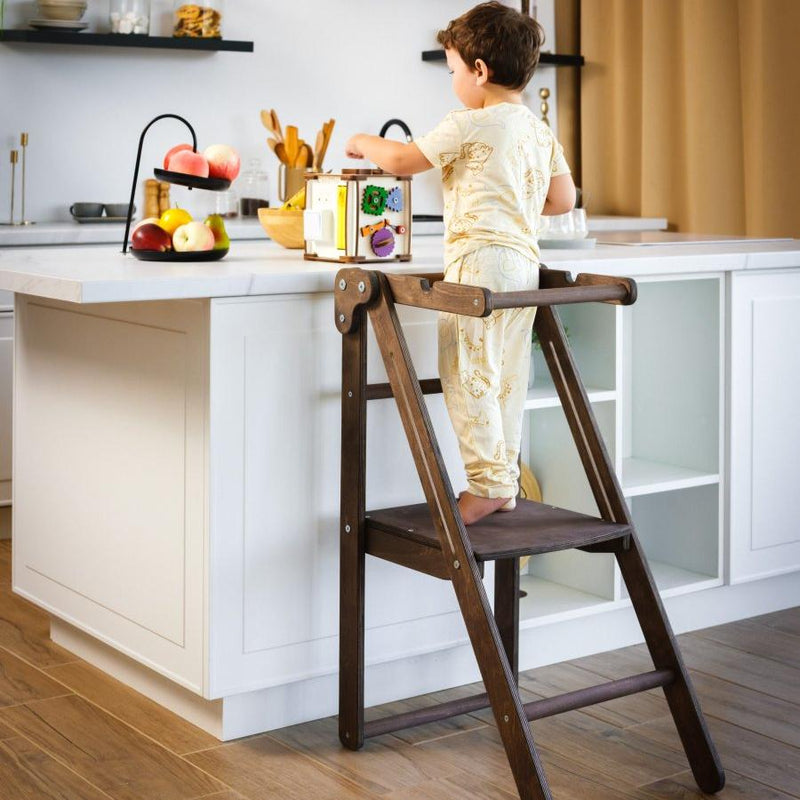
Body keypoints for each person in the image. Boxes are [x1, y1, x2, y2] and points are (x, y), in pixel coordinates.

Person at [345, 1, 576, 524]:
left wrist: (363, 140)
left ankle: (487, 484)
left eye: (452, 70)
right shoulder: (539, 131)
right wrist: (511, 197)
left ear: (479, 71)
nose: (453, 81)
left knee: (466, 370)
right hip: (523, 270)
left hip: (479, 264)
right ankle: (504, 480)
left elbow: (404, 161)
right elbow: (563, 199)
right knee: (506, 376)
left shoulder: (469, 122)